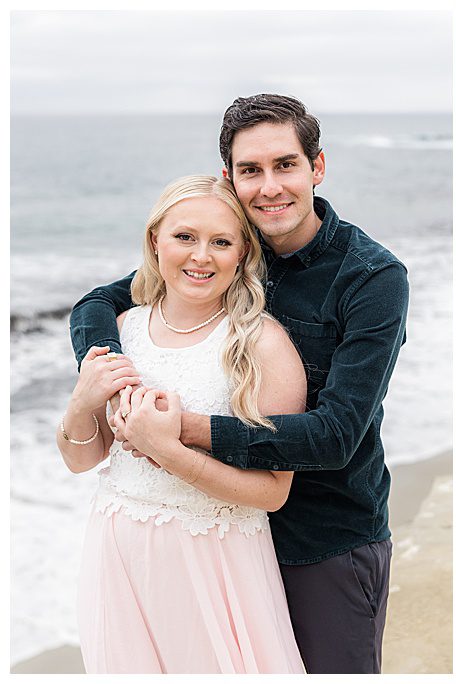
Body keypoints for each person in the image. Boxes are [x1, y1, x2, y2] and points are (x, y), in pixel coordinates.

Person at [69, 94, 410, 674]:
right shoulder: (224, 248)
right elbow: (99, 300)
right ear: (231, 178)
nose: (270, 186)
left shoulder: (371, 277)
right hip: (210, 542)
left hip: (320, 540)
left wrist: (179, 431)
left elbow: (334, 437)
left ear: (316, 167)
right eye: (251, 171)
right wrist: (107, 375)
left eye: (286, 165)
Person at [59, 175, 307, 673]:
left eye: (221, 242)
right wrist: (81, 403)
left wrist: (169, 451)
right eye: (185, 237)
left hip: (215, 558)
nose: (201, 256)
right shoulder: (126, 330)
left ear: (242, 254)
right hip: (119, 547)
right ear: (156, 241)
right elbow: (83, 459)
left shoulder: (262, 345)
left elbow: (273, 492)